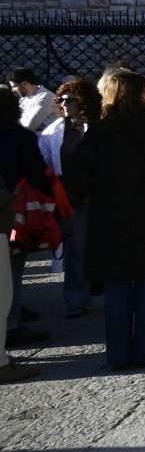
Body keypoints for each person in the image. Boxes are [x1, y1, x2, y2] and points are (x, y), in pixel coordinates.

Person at [62, 72, 145, 370]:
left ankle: (118, 353)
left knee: (117, 286)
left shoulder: (99, 132)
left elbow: (77, 177)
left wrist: (88, 194)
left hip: (110, 215)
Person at [0, 87, 52, 377]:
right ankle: (11, 324)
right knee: (7, 280)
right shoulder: (18, 136)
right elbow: (36, 173)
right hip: (11, 213)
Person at [40, 79, 101, 317]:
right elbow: (46, 163)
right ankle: (75, 300)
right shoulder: (53, 132)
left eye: (70, 100)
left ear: (83, 101)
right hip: (72, 199)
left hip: (99, 195)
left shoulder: (96, 128)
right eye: (62, 100)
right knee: (77, 249)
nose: (64, 105)